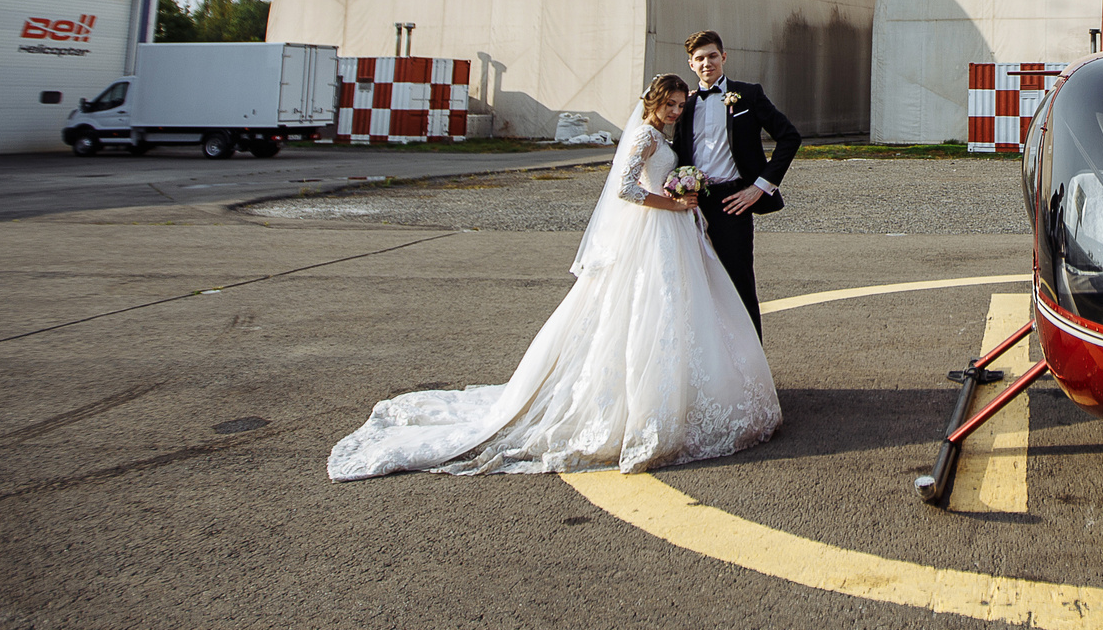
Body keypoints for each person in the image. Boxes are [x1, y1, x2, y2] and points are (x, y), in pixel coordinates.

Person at [326, 73, 781, 480]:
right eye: (670, 105)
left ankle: (689, 390)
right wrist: (672, 202)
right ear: (653, 103)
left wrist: (684, 191)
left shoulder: (663, 135)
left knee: (679, 308)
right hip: (654, 229)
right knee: (646, 308)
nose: (677, 111)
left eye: (681, 106)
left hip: (675, 229)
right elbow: (625, 189)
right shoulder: (644, 136)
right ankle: (645, 400)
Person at [673, 29, 801, 336]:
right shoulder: (683, 106)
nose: (707, 63)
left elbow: (789, 137)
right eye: (700, 59)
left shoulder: (748, 94)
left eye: (712, 56)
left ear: (724, 57)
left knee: (738, 283)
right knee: (695, 284)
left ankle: (752, 371)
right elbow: (675, 153)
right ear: (691, 64)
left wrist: (760, 187)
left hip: (733, 203)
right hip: (691, 205)